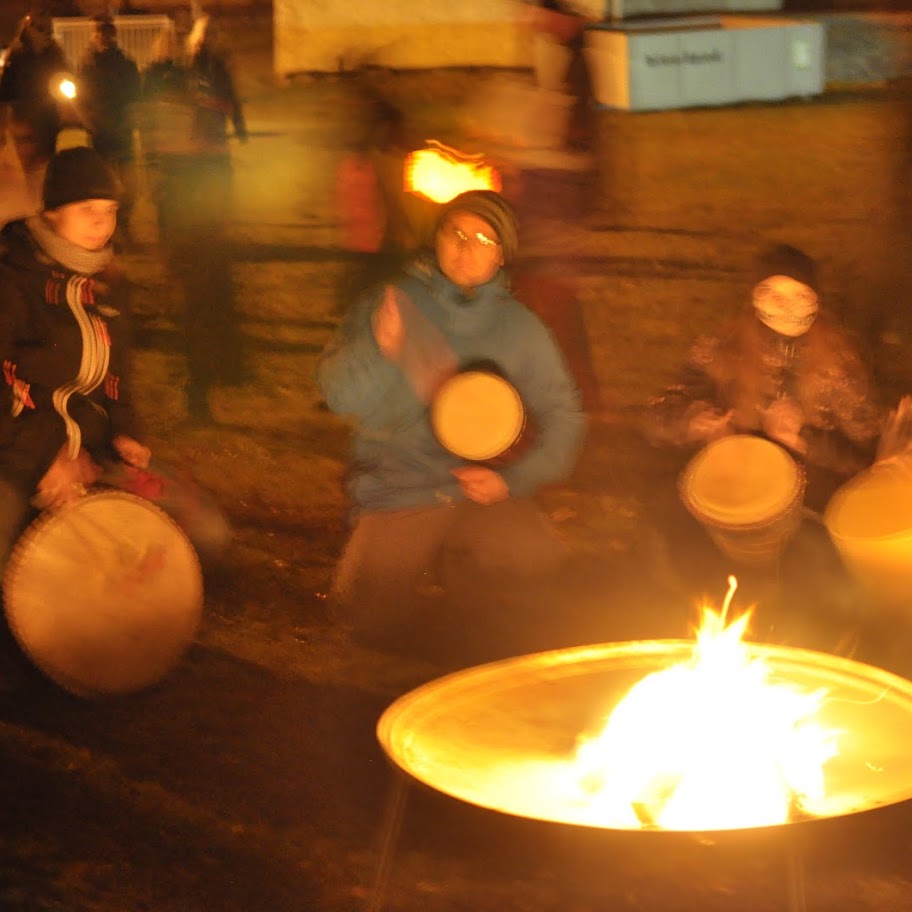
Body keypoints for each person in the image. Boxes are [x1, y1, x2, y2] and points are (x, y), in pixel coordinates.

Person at [317, 190, 586, 660]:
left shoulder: (518, 328)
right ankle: (409, 562)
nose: (467, 248)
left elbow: (565, 415)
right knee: (370, 619)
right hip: (404, 486)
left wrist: (512, 481)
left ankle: (459, 564)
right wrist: (379, 349)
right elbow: (340, 396)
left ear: (501, 255)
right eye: (456, 234)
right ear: (436, 238)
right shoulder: (390, 303)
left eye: (484, 239)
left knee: (538, 567)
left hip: (480, 488)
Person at [0, 146, 231, 574]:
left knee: (208, 533)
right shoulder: (12, 279)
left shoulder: (108, 286)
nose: (101, 222)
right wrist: (47, 457)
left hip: (91, 452)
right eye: (87, 208)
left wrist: (125, 432)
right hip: (15, 453)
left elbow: (116, 378)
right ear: (52, 212)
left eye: (110, 210)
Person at [643, 243, 885, 647]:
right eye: (772, 293)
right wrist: (693, 421)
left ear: (816, 301)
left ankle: (814, 648)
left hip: (810, 502)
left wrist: (803, 442)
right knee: (683, 547)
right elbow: (656, 415)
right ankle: (709, 645)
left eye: (798, 295)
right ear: (754, 299)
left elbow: (869, 455)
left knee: (816, 572)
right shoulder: (721, 349)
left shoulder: (838, 364)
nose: (785, 306)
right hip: (730, 491)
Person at [139, 15, 247, 423]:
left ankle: (207, 383)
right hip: (191, 235)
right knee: (198, 309)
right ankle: (199, 386)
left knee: (207, 306)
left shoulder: (206, 157)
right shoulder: (179, 158)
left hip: (205, 238)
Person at [77, 15, 142, 247]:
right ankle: (107, 233)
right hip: (100, 132)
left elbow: (136, 95)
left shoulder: (125, 63)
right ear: (93, 34)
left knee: (129, 184)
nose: (103, 37)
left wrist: (131, 119)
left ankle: (123, 225)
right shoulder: (86, 65)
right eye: (98, 32)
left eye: (106, 32)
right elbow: (79, 97)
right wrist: (87, 120)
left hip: (122, 131)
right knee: (103, 185)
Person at [0, 12, 72, 207]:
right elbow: (6, 90)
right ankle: (32, 203)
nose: (47, 33)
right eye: (41, 28)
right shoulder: (17, 57)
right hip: (25, 118)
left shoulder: (55, 55)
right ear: (28, 30)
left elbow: (67, 79)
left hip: (49, 116)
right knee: (29, 163)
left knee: (47, 161)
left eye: (49, 28)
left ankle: (44, 200)